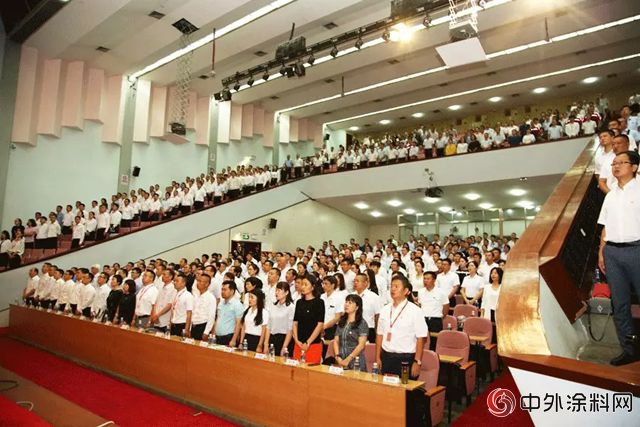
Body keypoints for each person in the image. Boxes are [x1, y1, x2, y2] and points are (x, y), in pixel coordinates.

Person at [597, 150, 640, 366]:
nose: (616, 166)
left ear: (634, 167)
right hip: (612, 253)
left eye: (621, 163)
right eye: (614, 163)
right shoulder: (611, 194)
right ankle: (629, 349)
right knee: (619, 303)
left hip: (637, 250)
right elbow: (605, 225)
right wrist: (601, 252)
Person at [375, 275, 428, 378]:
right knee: (386, 390)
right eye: (391, 286)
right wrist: (377, 357)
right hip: (386, 356)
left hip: (406, 358)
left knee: (405, 392)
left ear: (406, 291)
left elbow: (421, 338)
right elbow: (379, 335)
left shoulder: (415, 311)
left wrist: (417, 361)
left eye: (396, 286)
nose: (392, 289)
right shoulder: (384, 310)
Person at [331, 294, 368, 371]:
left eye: (350, 303)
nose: (346, 304)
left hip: (356, 362)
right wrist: (338, 357)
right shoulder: (342, 321)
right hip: (340, 360)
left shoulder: (362, 323)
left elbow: (361, 345)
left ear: (357, 307)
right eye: (346, 302)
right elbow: (336, 341)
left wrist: (348, 359)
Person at [293, 276, 325, 364]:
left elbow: (319, 325)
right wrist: (296, 340)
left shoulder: (319, 302)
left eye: (305, 284)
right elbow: (295, 323)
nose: (302, 287)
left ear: (313, 287)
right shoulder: (299, 302)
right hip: (298, 343)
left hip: (313, 344)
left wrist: (308, 342)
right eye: (302, 284)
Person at [265, 282, 295, 356]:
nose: (276, 293)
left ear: (286, 292)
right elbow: (269, 326)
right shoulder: (273, 305)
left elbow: (290, 329)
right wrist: (266, 343)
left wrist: (284, 347)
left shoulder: (291, 307)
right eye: (276, 290)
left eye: (279, 290)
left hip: (284, 338)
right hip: (272, 338)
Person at [352, 272, 382, 343]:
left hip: (368, 329)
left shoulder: (374, 297)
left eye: (357, 281)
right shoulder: (351, 296)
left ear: (365, 283)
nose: (355, 283)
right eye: (354, 281)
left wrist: (377, 332)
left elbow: (377, 316)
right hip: (352, 329)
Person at [214, 280, 244, 346]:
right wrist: (213, 335)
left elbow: (238, 323)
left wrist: (233, 340)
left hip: (229, 337)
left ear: (232, 291)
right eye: (222, 289)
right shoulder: (221, 303)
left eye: (225, 290)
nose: (222, 292)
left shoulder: (237, 304)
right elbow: (217, 319)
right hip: (217, 336)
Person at [190, 273, 217, 341]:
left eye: (200, 281)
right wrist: (189, 328)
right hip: (193, 326)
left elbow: (211, 316)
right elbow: (192, 312)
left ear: (207, 284)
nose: (197, 283)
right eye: (197, 280)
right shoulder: (195, 295)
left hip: (202, 327)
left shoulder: (211, 298)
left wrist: (206, 332)